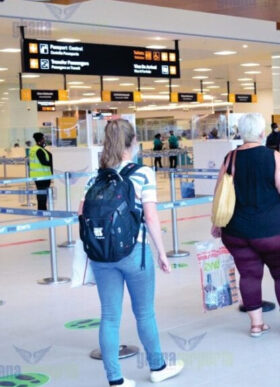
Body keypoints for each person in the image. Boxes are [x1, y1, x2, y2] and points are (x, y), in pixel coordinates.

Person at [79, 119, 183, 387]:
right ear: (133, 142)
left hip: (102, 255)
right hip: (135, 252)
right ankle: (158, 367)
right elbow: (151, 218)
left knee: (110, 316)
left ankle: (115, 379)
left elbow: (81, 214)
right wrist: (162, 253)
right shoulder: (143, 173)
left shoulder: (95, 175)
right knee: (145, 312)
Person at [211, 114, 280, 338]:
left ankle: (256, 325)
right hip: (275, 231)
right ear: (263, 134)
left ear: (241, 133)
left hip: (237, 231)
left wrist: (217, 222)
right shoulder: (272, 156)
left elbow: (219, 193)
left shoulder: (231, 158)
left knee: (249, 275)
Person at [29, 133, 53, 211]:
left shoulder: (34, 148)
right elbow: (44, 162)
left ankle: (41, 208)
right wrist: (54, 163)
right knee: (42, 193)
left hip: (37, 175)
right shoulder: (39, 150)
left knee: (40, 192)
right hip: (43, 175)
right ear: (41, 139)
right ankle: (42, 209)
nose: (44, 140)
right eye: (43, 138)